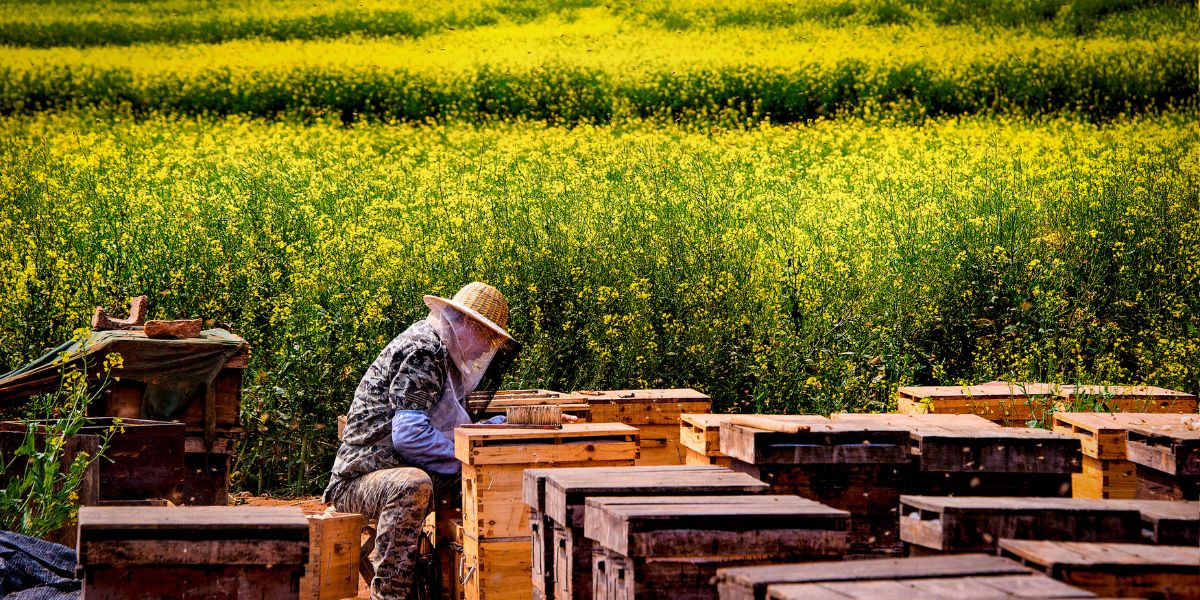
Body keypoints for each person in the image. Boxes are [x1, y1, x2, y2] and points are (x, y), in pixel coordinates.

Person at [323, 281, 516, 599]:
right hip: (361, 480)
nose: (485, 349)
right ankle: (389, 595)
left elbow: (457, 428)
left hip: (394, 468)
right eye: (486, 337)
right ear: (466, 324)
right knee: (413, 485)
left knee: (489, 481)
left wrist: (518, 428)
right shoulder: (425, 351)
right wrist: (470, 454)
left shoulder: (444, 355)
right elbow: (410, 437)